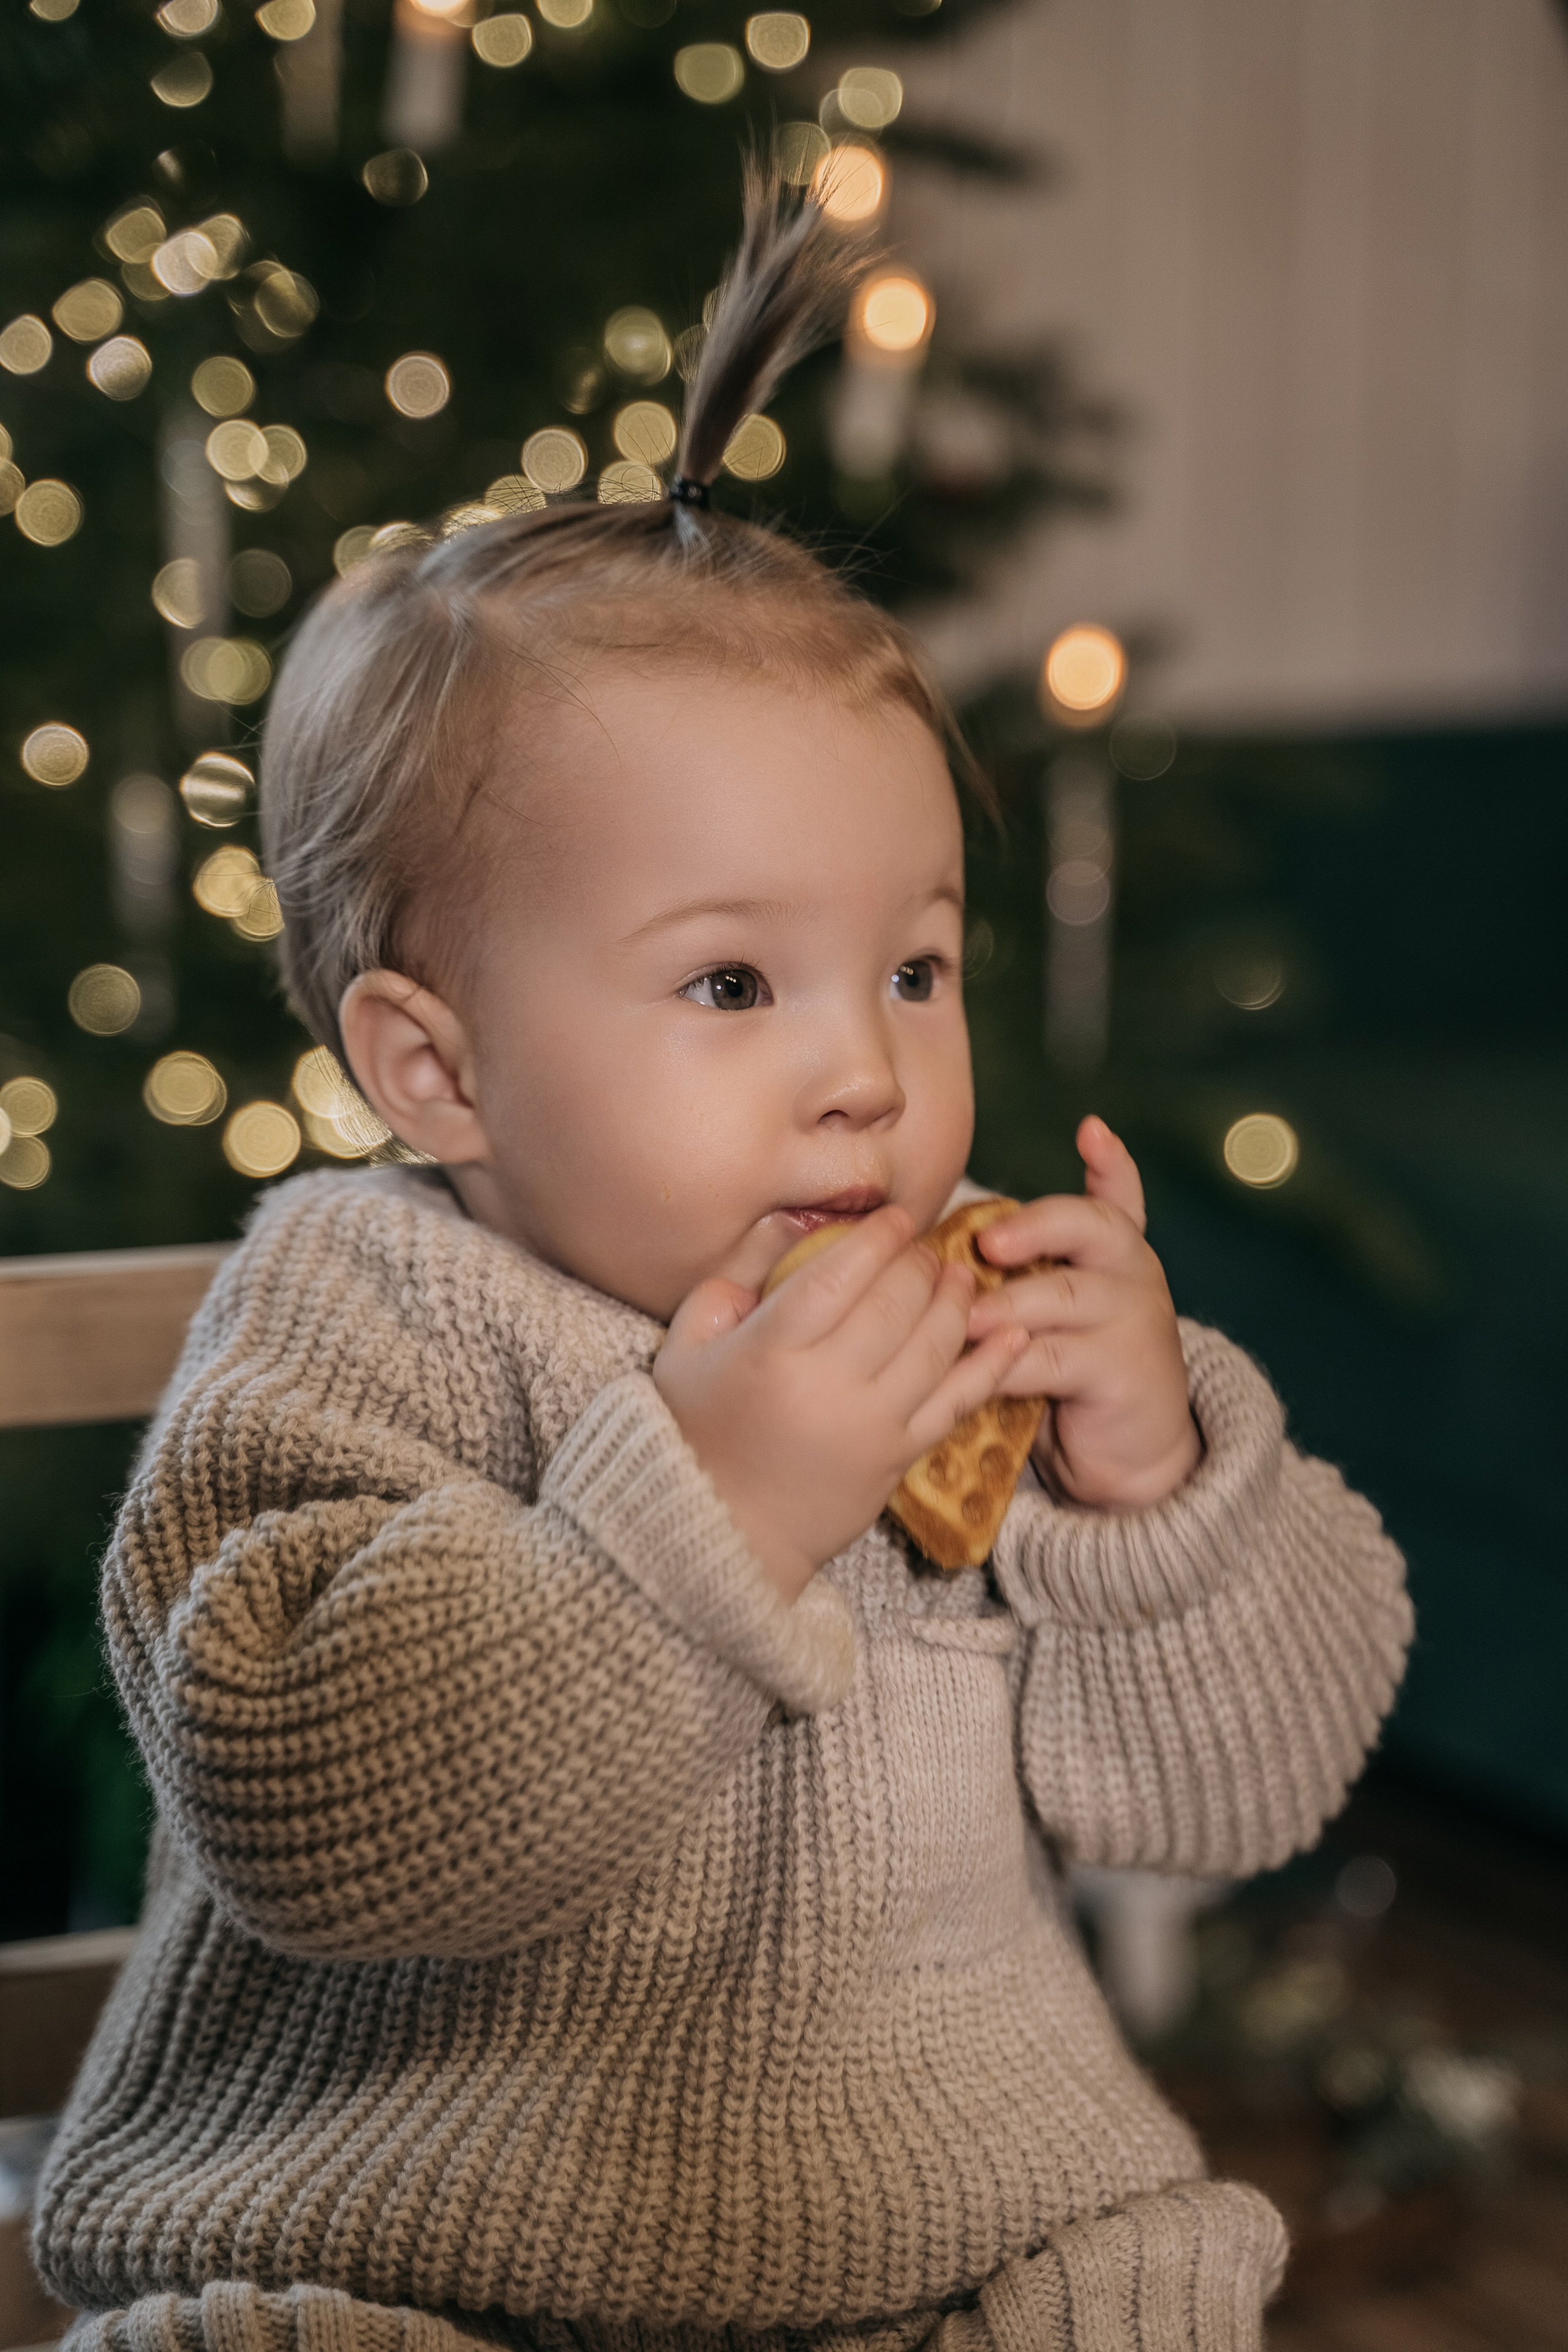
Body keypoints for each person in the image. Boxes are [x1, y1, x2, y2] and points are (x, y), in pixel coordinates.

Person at [34, 169, 1411, 2352]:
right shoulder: (359, 1318)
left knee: (1153, 2287)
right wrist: (717, 1505)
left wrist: (1160, 1493)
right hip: (401, 2246)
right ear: (437, 1066)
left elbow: (1223, 1806)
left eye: (919, 968)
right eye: (734, 989)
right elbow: (313, 1820)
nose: (867, 1073)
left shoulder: (986, 1331)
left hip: (948, 2241)